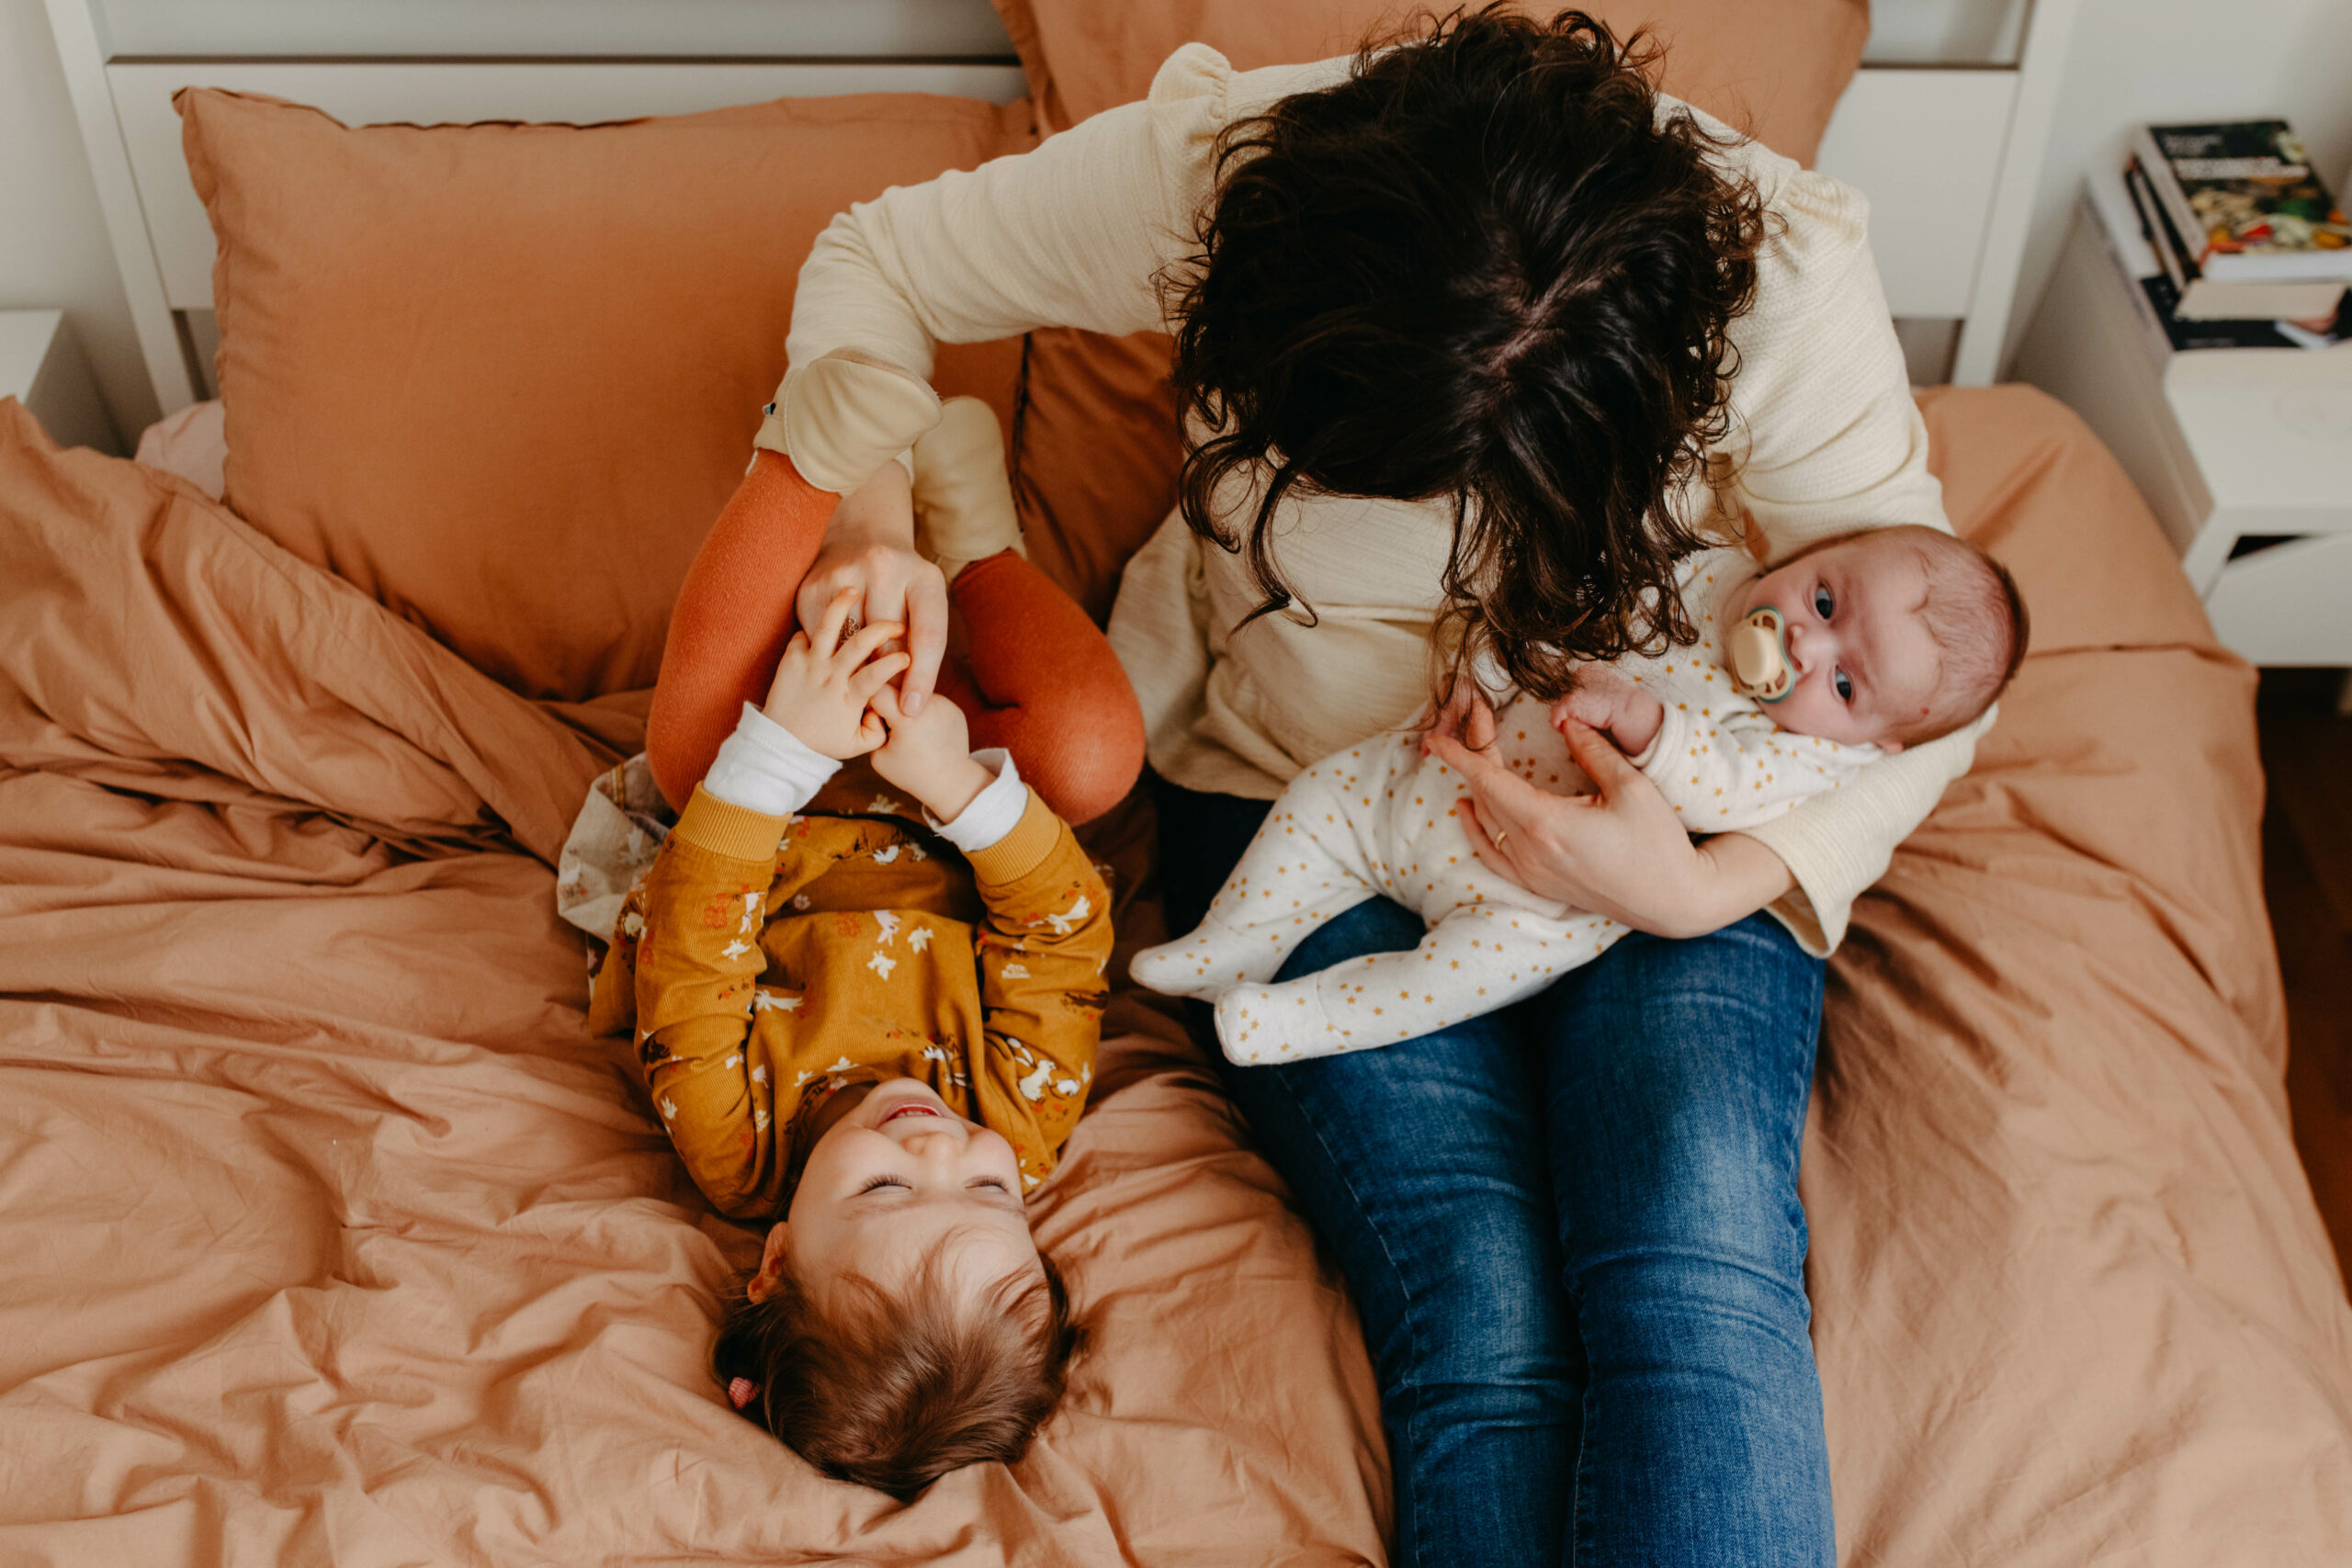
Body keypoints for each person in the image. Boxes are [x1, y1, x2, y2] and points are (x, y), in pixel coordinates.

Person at [721, 9, 2000, 1562]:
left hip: (1672, 834)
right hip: (1292, 801)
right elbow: (874, 262)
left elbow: (1923, 694)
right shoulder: (1214, 185)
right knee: (1479, 1299)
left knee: (1694, 1260)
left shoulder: (1781, 286)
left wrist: (1698, 886)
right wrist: (870, 526)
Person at [593, 400, 1115, 1499]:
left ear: (777, 1258)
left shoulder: (736, 1145)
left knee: (683, 742)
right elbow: (1063, 936)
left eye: (884, 1191)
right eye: (987, 1197)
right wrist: (953, 786)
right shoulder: (1019, 1124)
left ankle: (814, 437)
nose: (939, 1150)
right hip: (947, 785)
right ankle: (970, 541)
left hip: (776, 784)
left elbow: (694, 939)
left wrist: (785, 747)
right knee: (1096, 751)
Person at [1133, 527, 2028, 1063]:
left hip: (1531, 899)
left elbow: (1723, 785)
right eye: (1826, 599)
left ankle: (1297, 1018)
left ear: (1876, 742)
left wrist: (1647, 724)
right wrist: (1480, 673)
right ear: (1814, 549)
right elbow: (1548, 611)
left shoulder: (1803, 756)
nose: (1803, 642)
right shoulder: (1697, 573)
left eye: (1844, 685)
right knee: (1317, 801)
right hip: (1435, 772)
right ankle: (1231, 943)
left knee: (1458, 981)